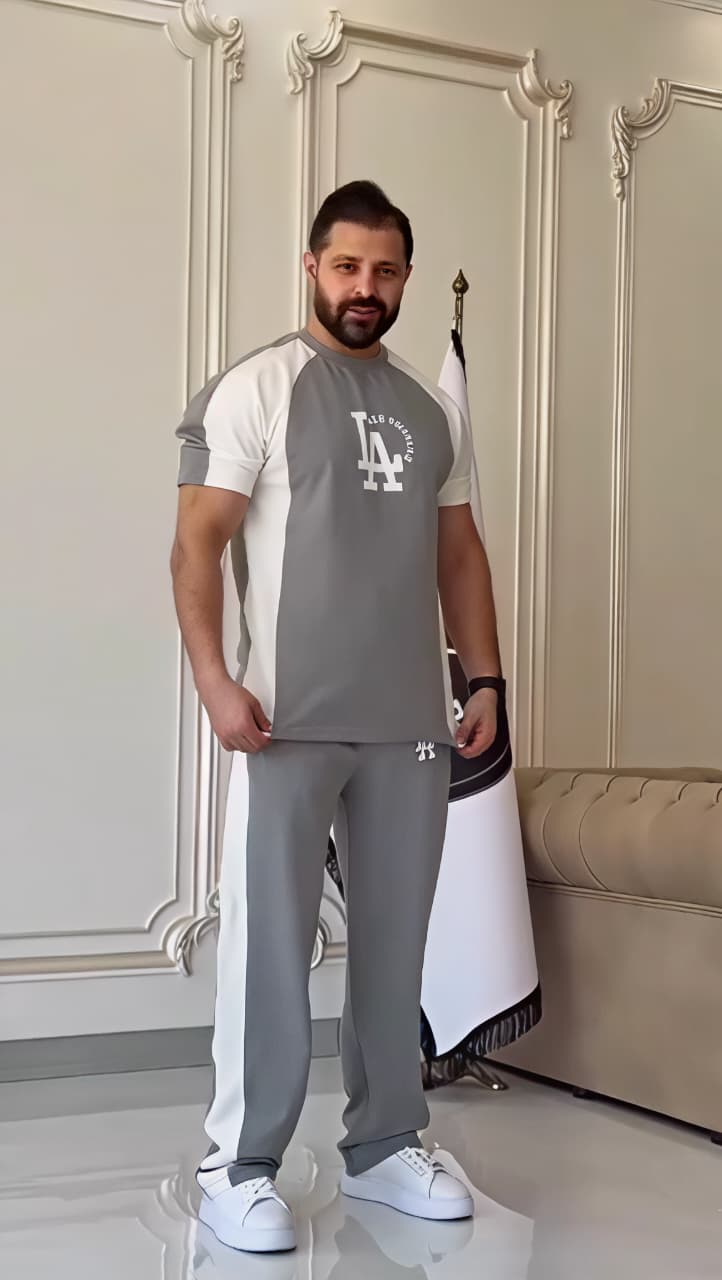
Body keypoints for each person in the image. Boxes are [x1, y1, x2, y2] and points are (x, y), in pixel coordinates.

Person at [170, 180, 503, 1255]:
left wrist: (484, 681)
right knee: (270, 944)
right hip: (285, 721)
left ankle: (386, 1142)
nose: (367, 286)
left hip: (409, 723)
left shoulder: (431, 410)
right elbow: (197, 542)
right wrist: (215, 682)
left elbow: (459, 551)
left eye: (386, 270)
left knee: (396, 944)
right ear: (312, 267)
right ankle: (238, 1163)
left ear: (405, 279)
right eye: (348, 266)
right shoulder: (258, 387)